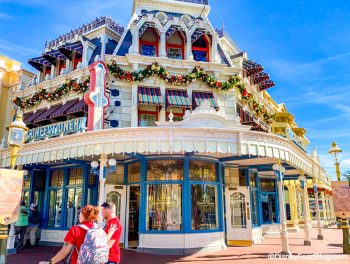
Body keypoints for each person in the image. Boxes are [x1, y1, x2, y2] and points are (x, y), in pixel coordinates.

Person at [39, 205, 117, 264]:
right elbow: (104, 242)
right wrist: (110, 233)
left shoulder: (75, 229)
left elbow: (65, 251)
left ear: (83, 215)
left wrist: (50, 262)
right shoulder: (98, 228)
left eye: (80, 214)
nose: (78, 215)